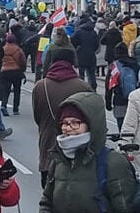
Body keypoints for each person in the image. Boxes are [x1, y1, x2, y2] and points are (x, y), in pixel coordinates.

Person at [40, 92, 137, 212]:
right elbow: (47, 201)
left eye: (75, 123)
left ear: (91, 125)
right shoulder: (59, 159)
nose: (68, 128)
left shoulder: (113, 163)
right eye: (64, 123)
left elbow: (125, 208)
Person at [32, 48, 92, 187]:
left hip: (49, 148)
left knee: (49, 192)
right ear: (73, 63)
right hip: (79, 151)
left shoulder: (41, 86)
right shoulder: (84, 87)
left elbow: (37, 117)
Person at [106, 43, 138, 130]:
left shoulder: (114, 67)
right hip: (134, 101)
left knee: (122, 129)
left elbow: (109, 87)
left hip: (119, 101)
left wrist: (108, 103)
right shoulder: (135, 64)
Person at [0, 33, 26, 116]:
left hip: (4, 71)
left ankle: (3, 105)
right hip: (16, 71)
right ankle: (15, 109)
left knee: (5, 90)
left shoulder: (2, 49)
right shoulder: (18, 50)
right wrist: (22, 70)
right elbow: (23, 60)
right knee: (17, 90)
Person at [70, 17, 100, 89]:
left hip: (81, 56)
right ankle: (92, 89)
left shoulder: (78, 32)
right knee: (92, 75)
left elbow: (72, 42)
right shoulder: (94, 32)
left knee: (81, 75)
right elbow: (97, 45)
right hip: (91, 56)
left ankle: (82, 89)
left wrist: (77, 48)